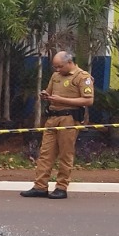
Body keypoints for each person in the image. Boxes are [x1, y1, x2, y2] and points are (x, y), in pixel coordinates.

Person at [23, 50, 94, 200]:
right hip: (52, 118)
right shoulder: (56, 76)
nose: (57, 70)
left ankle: (61, 187)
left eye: (60, 66)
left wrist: (62, 100)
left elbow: (88, 100)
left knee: (65, 153)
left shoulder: (82, 77)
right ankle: (40, 186)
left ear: (70, 62)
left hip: (69, 119)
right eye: (55, 67)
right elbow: (49, 92)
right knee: (45, 154)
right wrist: (45, 95)